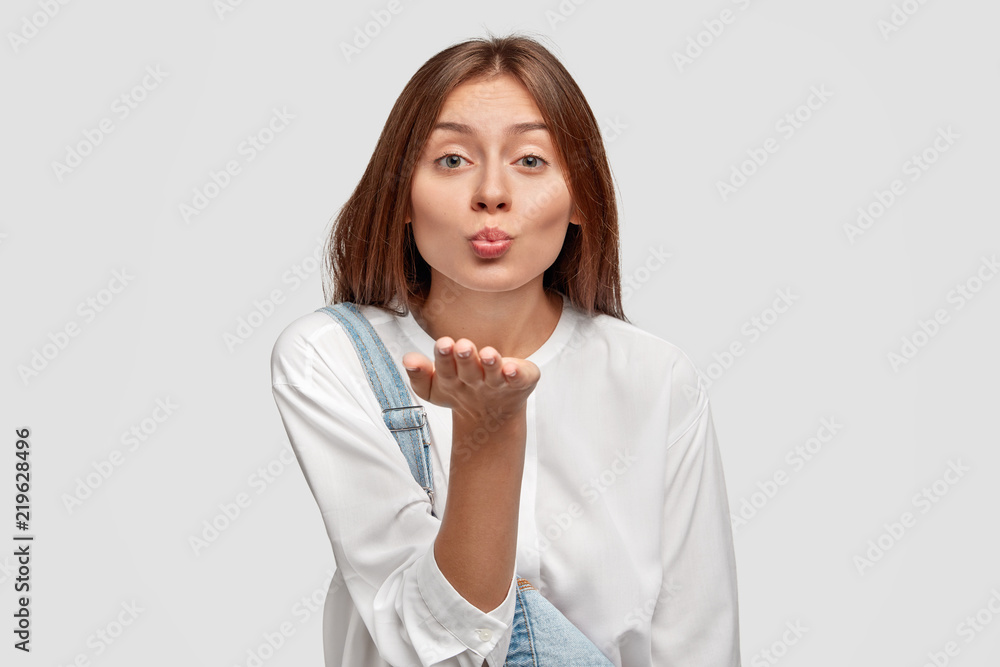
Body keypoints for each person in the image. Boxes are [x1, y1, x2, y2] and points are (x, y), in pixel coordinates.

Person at [270, 32, 741, 667]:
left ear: (581, 199)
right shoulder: (333, 356)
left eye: (530, 161)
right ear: (401, 197)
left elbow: (698, 642)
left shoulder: (657, 379)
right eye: (452, 159)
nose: (491, 193)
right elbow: (428, 637)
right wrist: (487, 435)